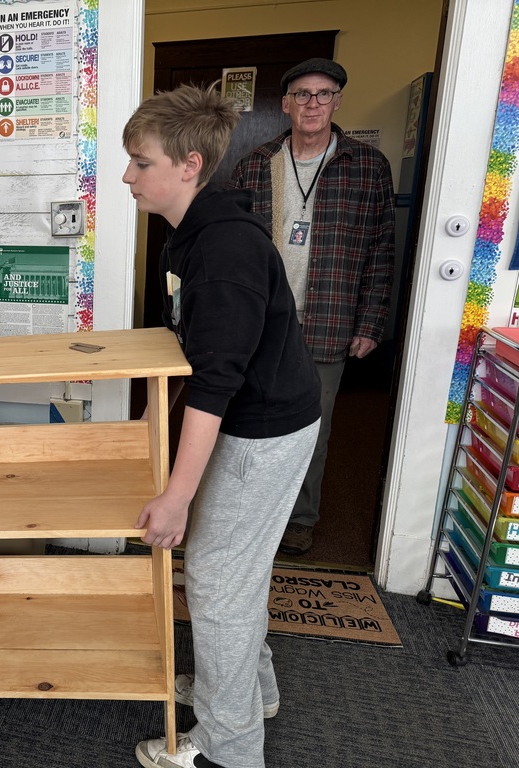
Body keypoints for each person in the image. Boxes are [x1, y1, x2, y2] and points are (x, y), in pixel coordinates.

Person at [122, 85, 320, 768]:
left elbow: (215, 382)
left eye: (140, 163)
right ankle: (243, 687)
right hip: (257, 415)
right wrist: (151, 420)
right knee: (235, 570)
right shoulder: (193, 235)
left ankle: (228, 748)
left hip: (262, 429)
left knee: (214, 581)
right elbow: (191, 347)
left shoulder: (224, 253)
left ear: (189, 164)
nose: (127, 176)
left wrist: (175, 497)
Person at [230, 57, 395, 556]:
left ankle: (300, 517)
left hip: (329, 317)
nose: (313, 103)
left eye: (324, 94)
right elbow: (234, 249)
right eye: (302, 94)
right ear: (285, 104)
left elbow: (381, 248)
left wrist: (370, 322)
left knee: (310, 430)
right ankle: (247, 512)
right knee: (245, 419)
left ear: (338, 101)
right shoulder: (256, 164)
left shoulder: (366, 166)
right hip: (262, 320)